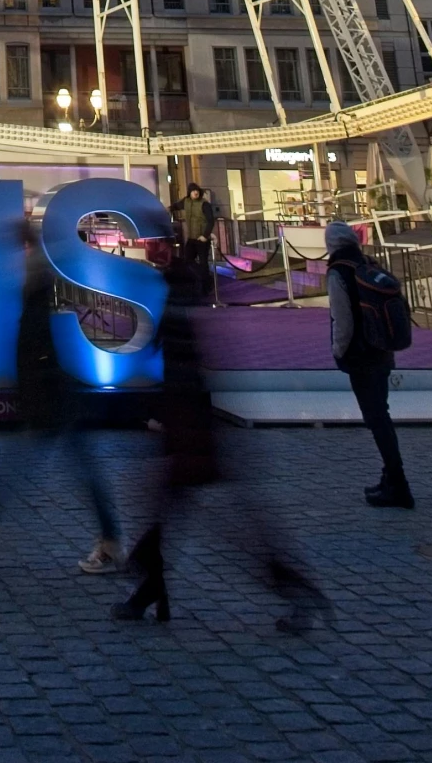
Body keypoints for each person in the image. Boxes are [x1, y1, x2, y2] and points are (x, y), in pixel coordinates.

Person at [113, 264, 330, 632]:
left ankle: (297, 591)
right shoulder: (187, 316)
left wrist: (161, 421)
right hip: (195, 437)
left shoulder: (175, 319)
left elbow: (181, 380)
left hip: (189, 440)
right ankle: (149, 591)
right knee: (216, 527)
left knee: (223, 531)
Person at [0, 218, 122, 575]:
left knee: (21, 471)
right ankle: (109, 541)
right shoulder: (35, 296)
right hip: (49, 396)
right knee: (72, 471)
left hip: (48, 399)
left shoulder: (37, 293)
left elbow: (34, 351)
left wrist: (30, 400)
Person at [325, 218, 415, 509]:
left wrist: (338, 352)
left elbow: (343, 319)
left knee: (376, 419)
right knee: (381, 414)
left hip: (360, 355)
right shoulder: (368, 265)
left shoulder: (339, 271)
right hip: (382, 352)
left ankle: (398, 484)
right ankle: (390, 478)